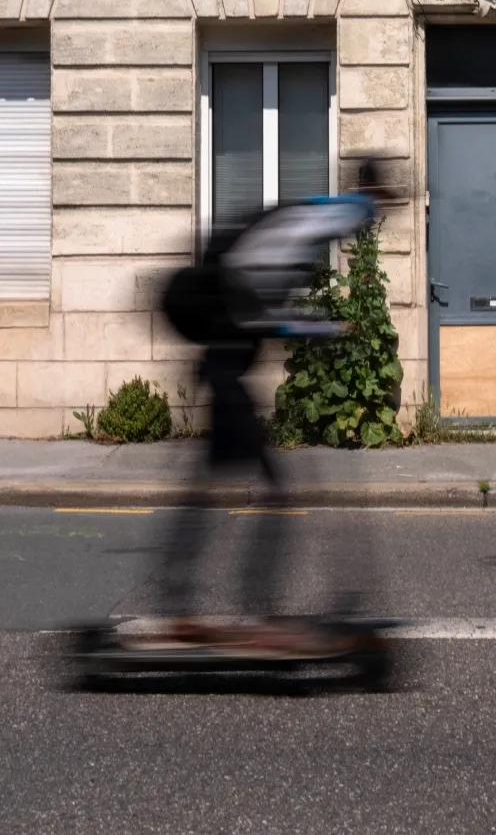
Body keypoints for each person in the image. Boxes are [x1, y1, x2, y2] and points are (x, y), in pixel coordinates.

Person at [139, 163, 396, 657]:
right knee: (272, 493)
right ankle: (249, 612)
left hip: (226, 369)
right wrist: (323, 328)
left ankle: (180, 607)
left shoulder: (290, 225)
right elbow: (261, 312)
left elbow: (260, 303)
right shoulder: (303, 225)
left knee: (206, 491)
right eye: (367, 214)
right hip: (227, 373)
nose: (364, 227)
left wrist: (314, 326)